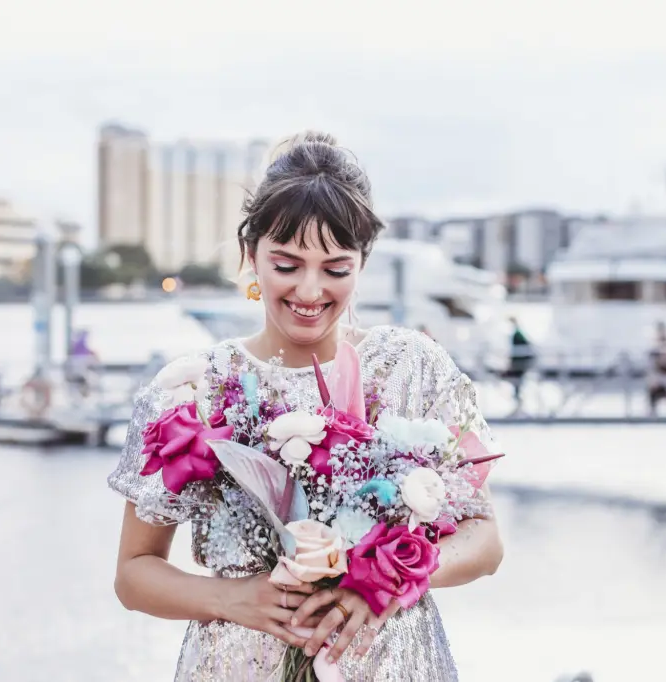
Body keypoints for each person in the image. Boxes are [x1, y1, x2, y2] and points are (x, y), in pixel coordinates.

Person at [108, 131, 504, 680]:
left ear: (362, 264)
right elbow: (133, 574)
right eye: (287, 265)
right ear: (251, 257)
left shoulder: (414, 365)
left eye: (335, 268)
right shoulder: (197, 389)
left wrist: (385, 582)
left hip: (391, 662)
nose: (310, 291)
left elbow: (484, 541)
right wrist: (230, 598)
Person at [505, 316, 534, 410]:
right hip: (519, 364)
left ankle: (518, 403)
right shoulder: (517, 334)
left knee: (517, 382)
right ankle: (517, 402)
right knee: (516, 382)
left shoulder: (517, 334)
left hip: (519, 364)